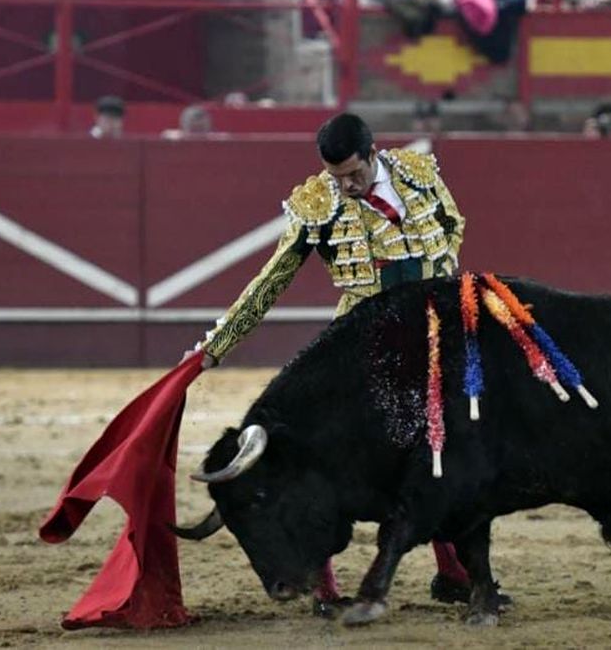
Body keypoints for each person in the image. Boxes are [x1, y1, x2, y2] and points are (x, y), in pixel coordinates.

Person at [186, 113, 473, 618]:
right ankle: (324, 587)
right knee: (329, 462)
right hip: (360, 348)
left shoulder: (418, 175)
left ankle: (453, 573)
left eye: (354, 175)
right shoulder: (319, 204)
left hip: (431, 334)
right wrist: (217, 345)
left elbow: (453, 225)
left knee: (442, 449)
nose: (346, 186)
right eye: (337, 177)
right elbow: (271, 280)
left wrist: (441, 285)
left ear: (372, 154)